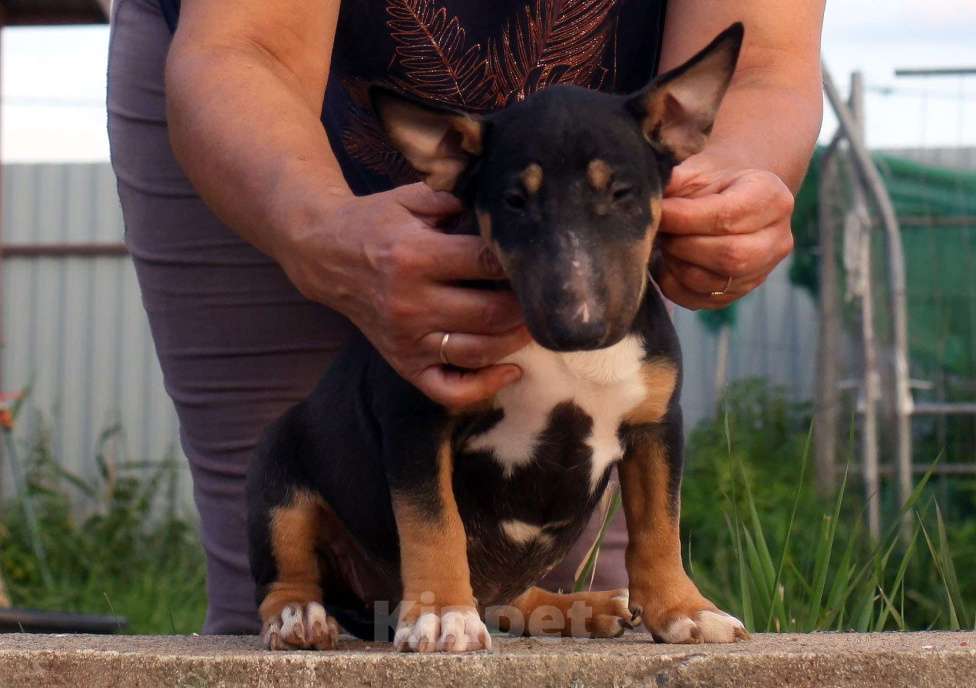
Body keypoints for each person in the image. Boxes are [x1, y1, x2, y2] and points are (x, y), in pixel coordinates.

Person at [107, 0, 825, 635]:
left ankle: (510, 605)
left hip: (595, 128)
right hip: (257, 79)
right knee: (288, 567)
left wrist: (722, 197)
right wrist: (318, 230)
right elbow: (248, 42)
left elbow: (758, 57)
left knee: (585, 600)